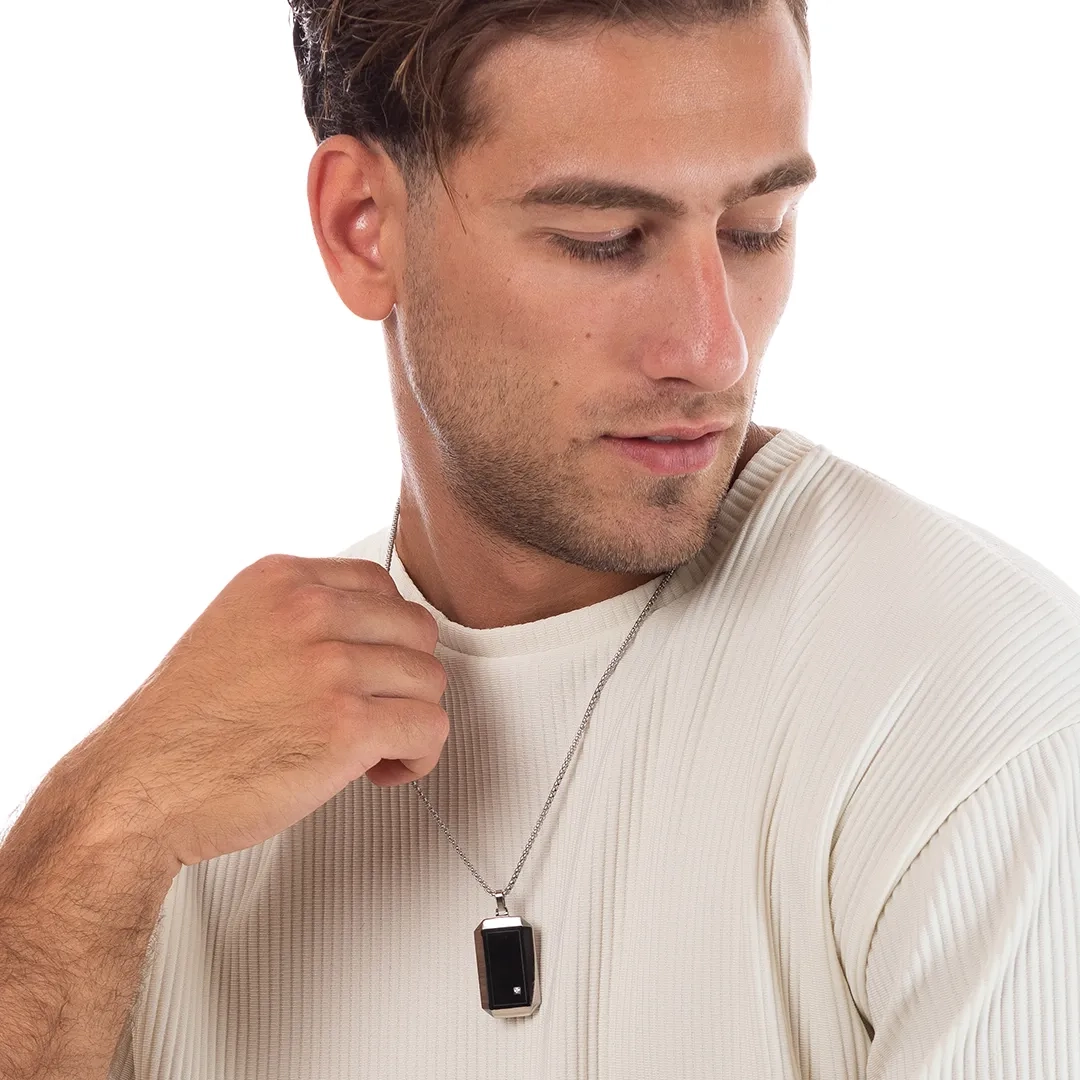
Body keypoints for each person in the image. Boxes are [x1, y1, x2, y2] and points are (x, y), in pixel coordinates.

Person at [1, 1, 1077, 1077]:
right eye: (604, 240)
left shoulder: (979, 717)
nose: (714, 349)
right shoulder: (190, 796)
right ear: (364, 225)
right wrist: (100, 832)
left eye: (757, 227)